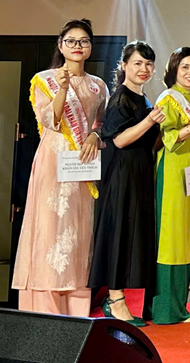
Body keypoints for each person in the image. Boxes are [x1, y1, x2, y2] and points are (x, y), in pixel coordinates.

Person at [13, 19, 108, 316]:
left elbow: (101, 125)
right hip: (53, 163)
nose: (78, 46)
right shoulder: (44, 79)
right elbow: (50, 121)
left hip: (82, 165)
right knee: (50, 229)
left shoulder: (98, 85)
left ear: (90, 47)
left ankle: (77, 311)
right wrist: (62, 91)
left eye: (84, 41)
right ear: (61, 45)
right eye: (71, 41)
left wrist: (95, 135)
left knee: (79, 231)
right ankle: (45, 312)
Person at [89, 41, 163, 326]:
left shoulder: (143, 98)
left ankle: (119, 297)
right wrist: (150, 121)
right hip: (122, 174)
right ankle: (115, 299)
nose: (144, 69)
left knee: (133, 232)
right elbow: (119, 140)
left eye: (148, 64)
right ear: (124, 66)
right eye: (137, 63)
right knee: (120, 232)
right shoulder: (121, 98)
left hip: (140, 172)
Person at [151, 47, 190, 324]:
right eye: (185, 66)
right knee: (170, 238)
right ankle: (165, 309)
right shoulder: (169, 98)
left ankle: (180, 306)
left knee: (185, 236)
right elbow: (169, 137)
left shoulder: (189, 99)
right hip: (172, 171)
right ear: (173, 69)